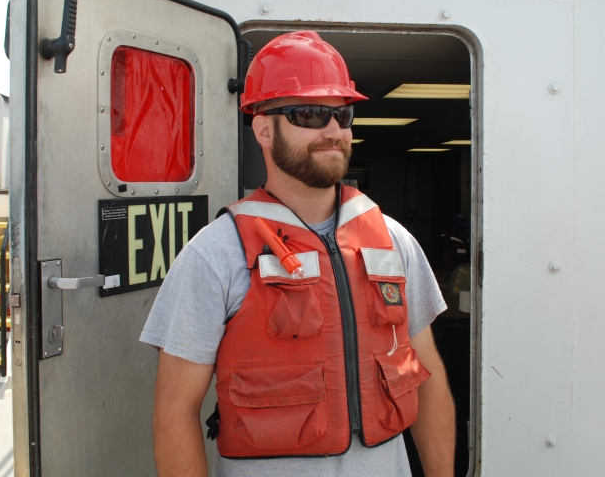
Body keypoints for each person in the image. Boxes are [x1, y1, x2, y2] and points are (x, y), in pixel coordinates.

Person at [141, 31, 456, 477]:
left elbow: (429, 379)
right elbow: (174, 414)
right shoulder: (215, 255)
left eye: (342, 114)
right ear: (264, 129)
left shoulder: (393, 240)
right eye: (309, 114)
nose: (333, 131)